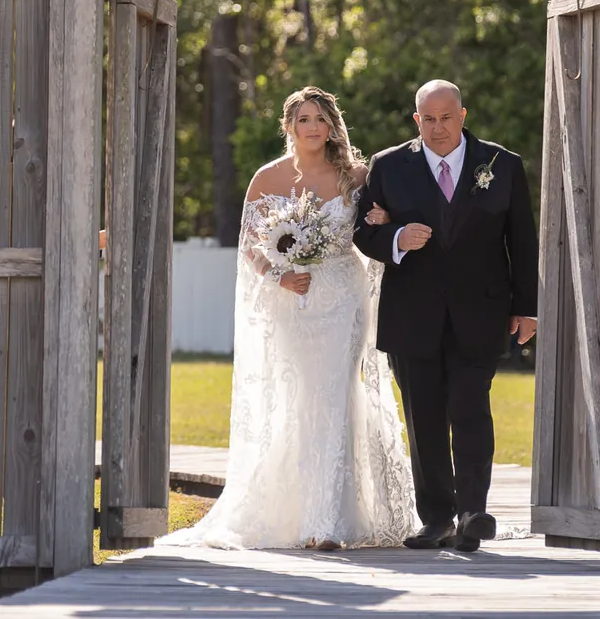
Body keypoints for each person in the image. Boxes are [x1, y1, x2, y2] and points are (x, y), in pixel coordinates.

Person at [160, 87, 416, 549]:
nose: (313, 126)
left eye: (320, 118)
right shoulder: (268, 178)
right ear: (289, 127)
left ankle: (328, 522)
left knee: (337, 392)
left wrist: (379, 216)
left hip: (343, 298)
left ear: (332, 125)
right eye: (303, 119)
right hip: (294, 304)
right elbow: (251, 247)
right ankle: (297, 512)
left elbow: (373, 228)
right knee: (300, 398)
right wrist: (279, 277)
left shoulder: (356, 175)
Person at [353, 80, 538, 553]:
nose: (438, 128)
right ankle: (436, 519)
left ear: (463, 115)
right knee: (425, 419)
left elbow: (522, 241)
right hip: (411, 315)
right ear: (417, 120)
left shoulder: (502, 164)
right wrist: (396, 237)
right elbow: (362, 233)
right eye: (428, 119)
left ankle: (473, 512)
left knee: (470, 408)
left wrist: (527, 308)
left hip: (481, 312)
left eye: (447, 117)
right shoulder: (388, 166)